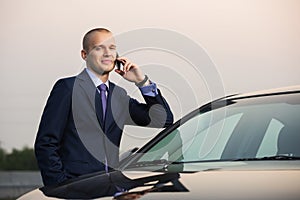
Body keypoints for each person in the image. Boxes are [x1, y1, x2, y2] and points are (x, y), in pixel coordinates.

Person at [34, 28, 174, 187]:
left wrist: (141, 82)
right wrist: (60, 186)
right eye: (99, 48)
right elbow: (46, 144)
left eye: (112, 48)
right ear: (84, 54)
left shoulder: (119, 96)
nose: (107, 53)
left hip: (111, 189)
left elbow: (164, 120)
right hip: (75, 188)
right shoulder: (67, 88)